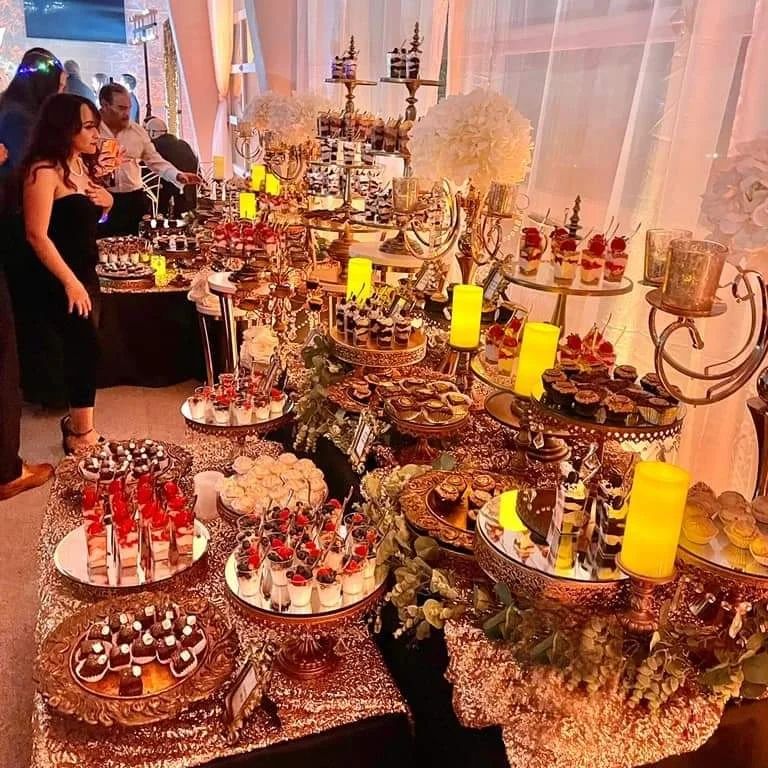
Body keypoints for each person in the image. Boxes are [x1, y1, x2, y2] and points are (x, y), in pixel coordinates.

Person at [22, 93, 113, 453]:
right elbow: (36, 234)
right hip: (60, 276)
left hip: (86, 272)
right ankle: (81, 433)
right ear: (65, 128)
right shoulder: (44, 171)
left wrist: (108, 204)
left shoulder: (81, 167)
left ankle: (78, 425)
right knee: (82, 347)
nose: (96, 134)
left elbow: (87, 221)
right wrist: (70, 281)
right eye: (88, 126)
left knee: (88, 348)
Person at [97, 83, 201, 236]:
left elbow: (154, 160)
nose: (127, 113)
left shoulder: (137, 132)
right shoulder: (91, 130)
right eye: (121, 108)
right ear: (105, 105)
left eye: (129, 108)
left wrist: (177, 175)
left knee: (138, 244)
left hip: (133, 199)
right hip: (100, 198)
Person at [0, 48, 65, 179]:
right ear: (45, 85)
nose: (62, 92)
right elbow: (29, 169)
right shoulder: (18, 119)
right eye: (60, 86)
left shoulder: (12, 106)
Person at [145, 117, 198, 215]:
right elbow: (195, 163)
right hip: (187, 195)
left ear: (152, 133)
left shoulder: (153, 146)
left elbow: (145, 171)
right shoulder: (183, 144)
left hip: (161, 198)